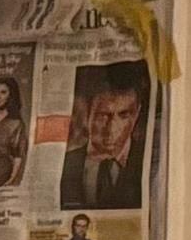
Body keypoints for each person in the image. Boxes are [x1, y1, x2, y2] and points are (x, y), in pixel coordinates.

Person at [61, 60, 153, 211]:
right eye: (103, 116)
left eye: (124, 115)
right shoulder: (66, 163)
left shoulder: (149, 160)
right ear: (87, 113)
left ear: (136, 114)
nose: (111, 129)